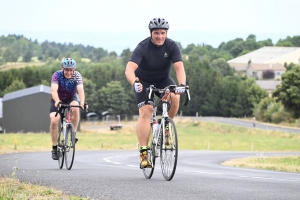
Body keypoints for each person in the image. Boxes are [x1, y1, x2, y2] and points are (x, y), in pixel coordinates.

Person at [125, 18, 187, 168]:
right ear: (151, 33)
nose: (160, 36)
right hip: (144, 82)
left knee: (175, 97)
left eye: (162, 33)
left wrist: (182, 85)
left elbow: (179, 68)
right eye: (156, 33)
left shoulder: (172, 45)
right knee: (146, 111)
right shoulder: (143, 46)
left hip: (163, 79)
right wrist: (135, 83)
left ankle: (166, 127)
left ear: (166, 33)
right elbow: (129, 69)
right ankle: (144, 153)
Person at [49, 58, 85, 160]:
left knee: (76, 108)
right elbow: (54, 90)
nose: (69, 72)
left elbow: (80, 90)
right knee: (54, 120)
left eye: (71, 70)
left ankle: (73, 133)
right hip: (57, 99)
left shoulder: (77, 75)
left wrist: (82, 102)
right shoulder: (57, 75)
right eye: (66, 70)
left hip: (71, 98)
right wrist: (57, 101)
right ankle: (55, 148)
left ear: (73, 69)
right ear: (62, 69)